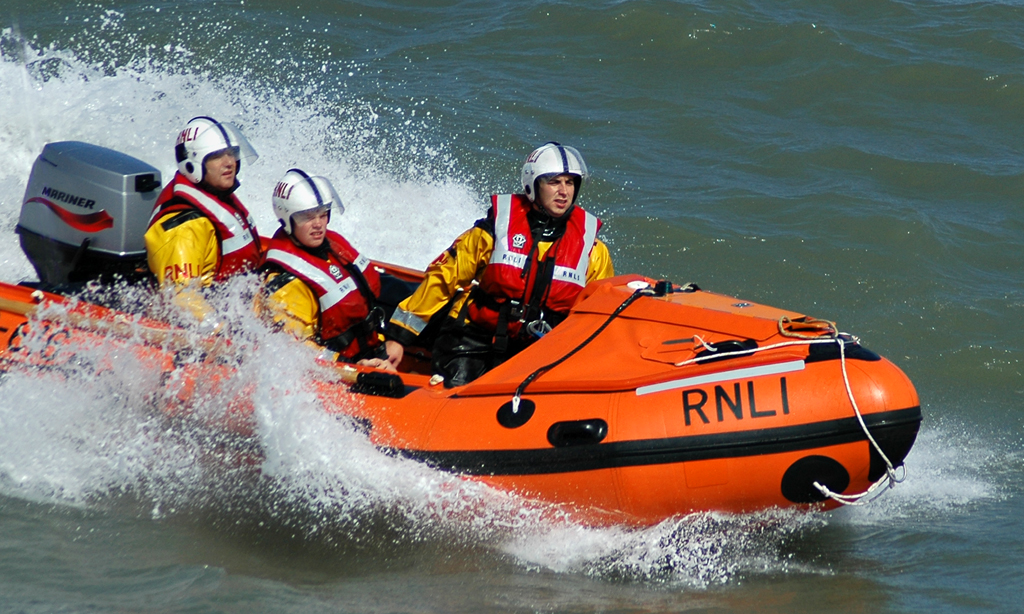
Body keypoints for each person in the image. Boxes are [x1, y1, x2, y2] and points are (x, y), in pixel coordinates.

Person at [385, 142, 614, 386]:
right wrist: (399, 337)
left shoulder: (593, 251)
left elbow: (600, 313)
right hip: (473, 338)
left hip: (538, 349)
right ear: (534, 185)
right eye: (554, 182)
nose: (563, 192)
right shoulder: (494, 231)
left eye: (570, 183)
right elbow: (443, 279)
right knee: (457, 392)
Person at [257, 169, 402, 371]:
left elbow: (371, 293)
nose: (318, 224)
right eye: (307, 217)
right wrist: (353, 366)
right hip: (342, 369)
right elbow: (296, 350)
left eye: (323, 213)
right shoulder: (286, 284)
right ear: (288, 219)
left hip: (372, 352)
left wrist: (397, 338)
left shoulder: (331, 248)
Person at [144, 116, 263, 326]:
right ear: (193, 164)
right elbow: (181, 297)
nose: (229, 162)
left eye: (232, 153)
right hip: (211, 323)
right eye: (216, 156)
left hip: (243, 306)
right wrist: (222, 332)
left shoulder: (218, 195)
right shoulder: (184, 226)